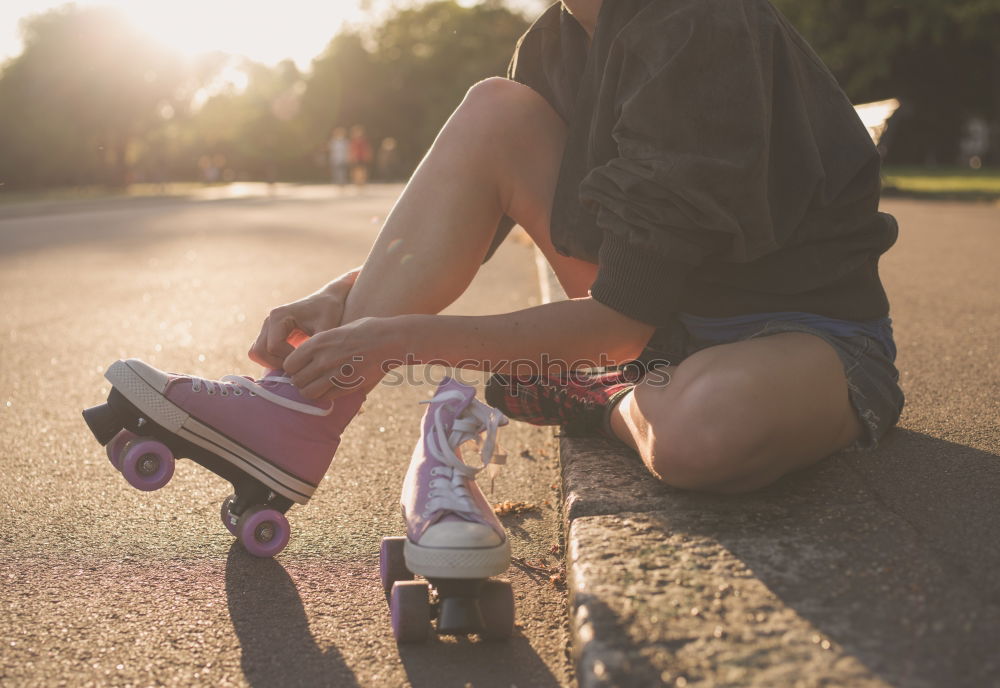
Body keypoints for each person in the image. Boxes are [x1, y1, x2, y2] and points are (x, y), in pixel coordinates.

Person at [100, 0, 904, 588]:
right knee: (496, 110)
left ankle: (597, 395)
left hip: (798, 331)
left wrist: (395, 340)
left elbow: (621, 322)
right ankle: (299, 416)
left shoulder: (695, 24)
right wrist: (343, 298)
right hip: (661, 318)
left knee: (702, 432)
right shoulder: (554, 40)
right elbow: (476, 219)